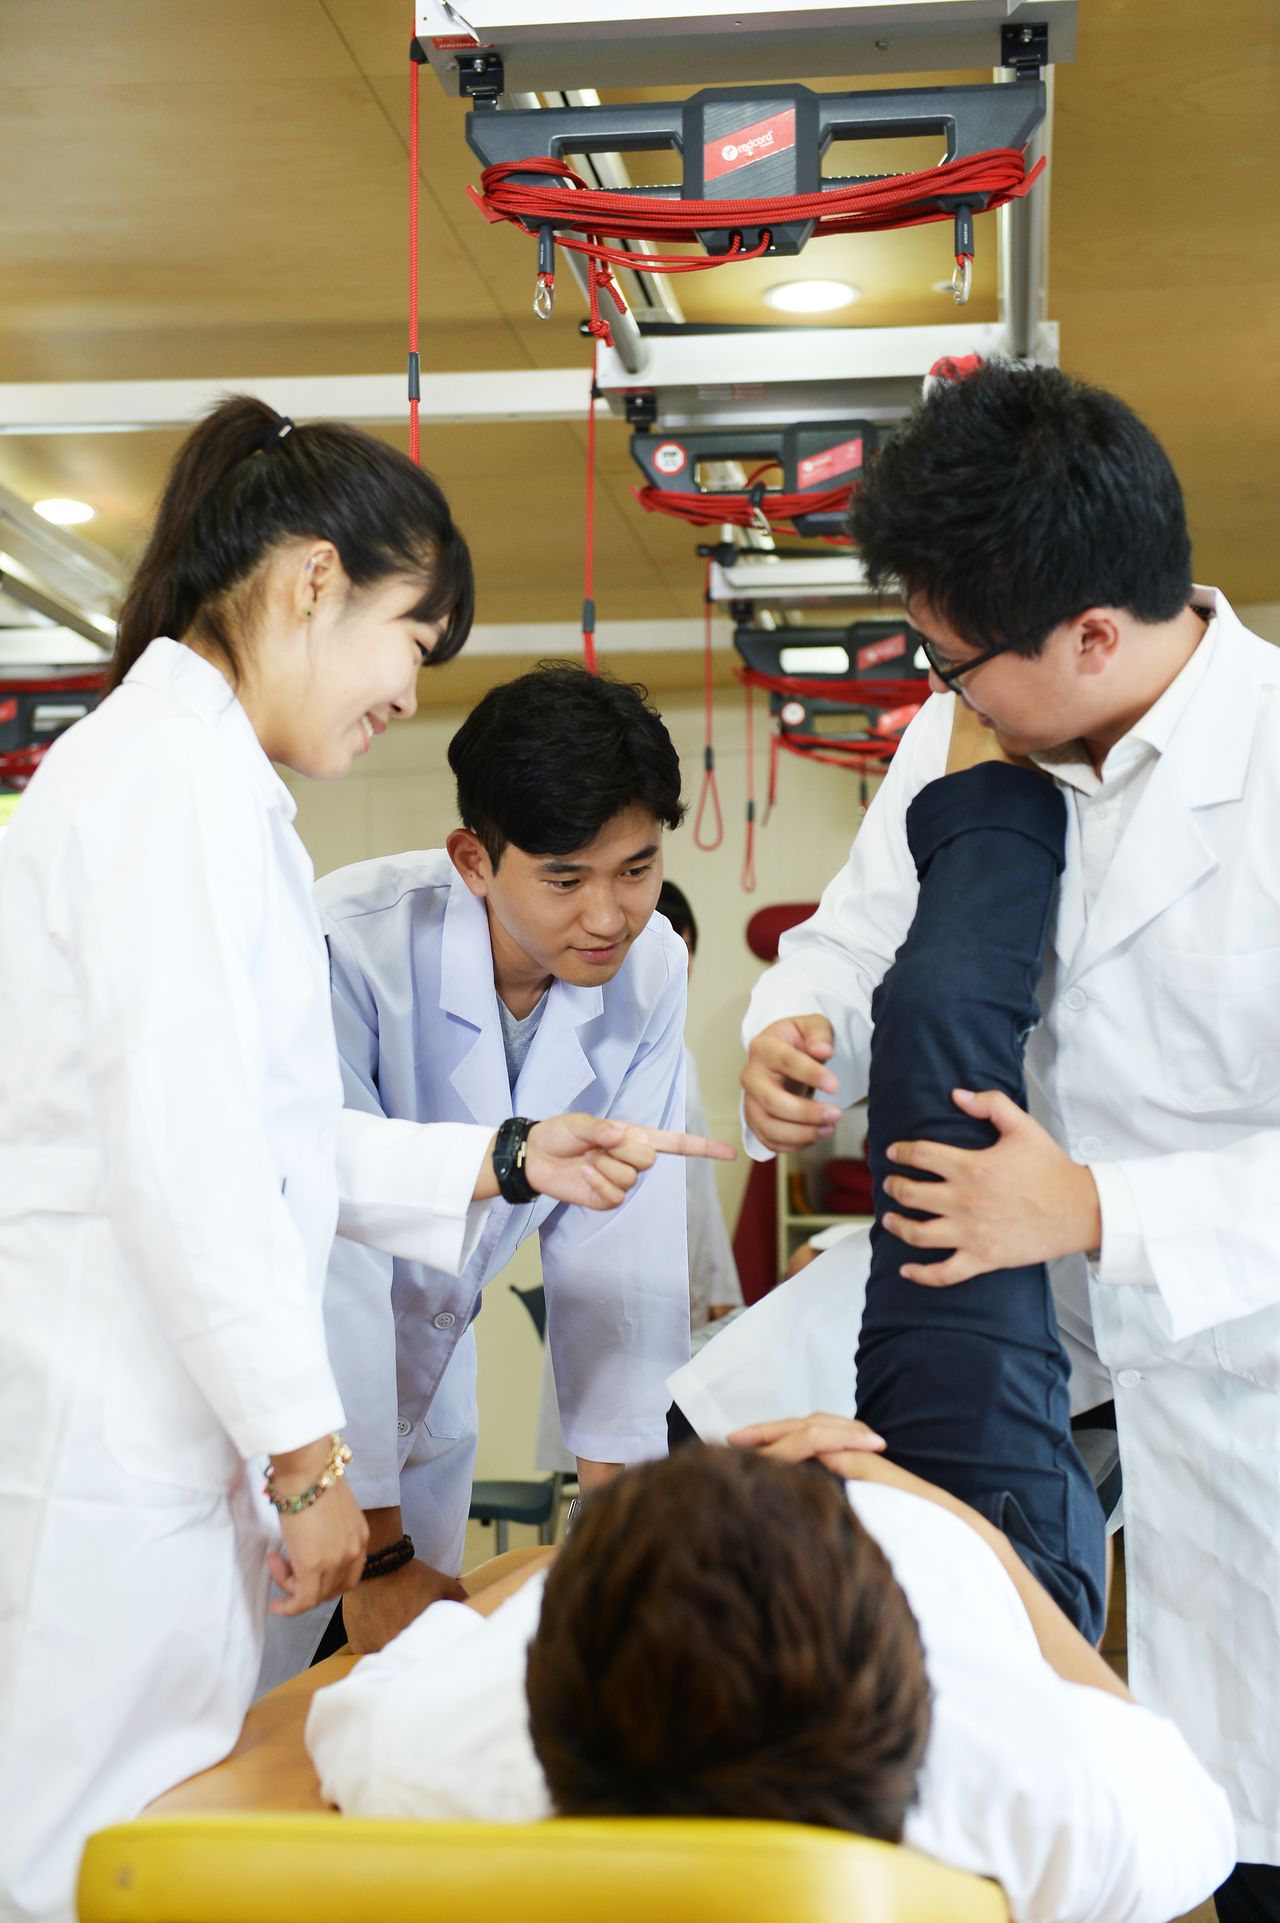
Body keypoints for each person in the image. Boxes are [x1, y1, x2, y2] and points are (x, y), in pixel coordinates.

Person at [0, 400, 727, 1923]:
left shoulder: (208, 783)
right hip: (119, 1428)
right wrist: (315, 1461)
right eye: (413, 633)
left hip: (179, 1423)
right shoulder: (166, 786)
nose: (411, 683)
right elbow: (187, 1157)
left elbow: (273, 1141)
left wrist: (508, 1157)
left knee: (168, 1817)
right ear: (316, 582)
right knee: (83, 1846)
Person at [740, 360, 1280, 1920]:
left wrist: (1101, 1204)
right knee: (1020, 1794)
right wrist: (799, 1035)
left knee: (1236, 1833)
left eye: (959, 657)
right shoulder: (966, 724)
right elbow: (850, 941)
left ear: (1094, 632)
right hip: (1021, 1338)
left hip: (1239, 1371)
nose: (941, 687)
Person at [259, 667, 735, 1686]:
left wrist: (621, 1534)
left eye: (638, 868)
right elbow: (328, 1240)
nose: (609, 914)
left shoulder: (650, 964)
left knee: (385, 1713)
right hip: (287, 1402)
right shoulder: (347, 945)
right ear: (474, 859)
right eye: (565, 879)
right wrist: (378, 1545)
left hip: (431, 1382)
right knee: (238, 1714)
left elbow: (622, 1258)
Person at [654, 880, 744, 1336]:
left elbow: (699, 1191)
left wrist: (719, 1287)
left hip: (687, 1285)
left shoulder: (681, 1057)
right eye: (669, 943)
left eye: (688, 946)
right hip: (626, 1293)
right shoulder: (600, 1059)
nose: (682, 961)